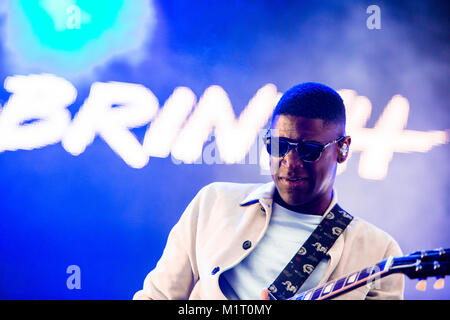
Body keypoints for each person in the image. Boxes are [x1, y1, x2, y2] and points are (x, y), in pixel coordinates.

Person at [133, 82, 404, 300]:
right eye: (278, 146)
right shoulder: (212, 203)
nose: (290, 163)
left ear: (343, 149)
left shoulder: (379, 252)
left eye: (309, 150)